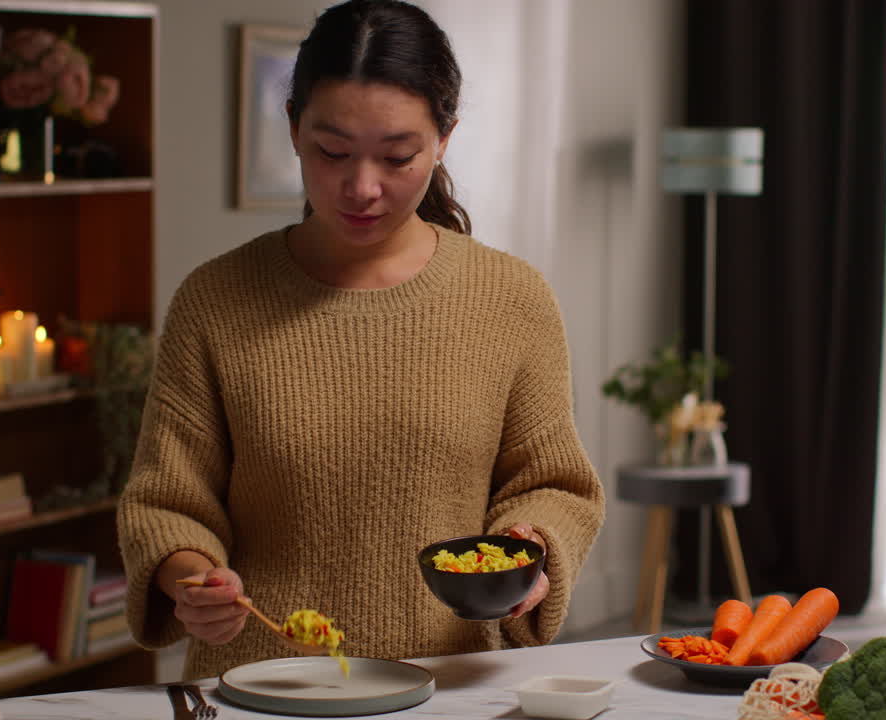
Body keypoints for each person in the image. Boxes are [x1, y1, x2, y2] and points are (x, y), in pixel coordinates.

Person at [117, 0, 605, 681]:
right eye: (333, 152)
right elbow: (169, 502)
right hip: (262, 685)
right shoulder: (216, 300)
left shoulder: (512, 299)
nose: (362, 187)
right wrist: (193, 581)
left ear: (444, 139)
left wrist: (532, 547)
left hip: (450, 686)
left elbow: (552, 485)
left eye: (398, 156)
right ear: (294, 128)